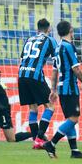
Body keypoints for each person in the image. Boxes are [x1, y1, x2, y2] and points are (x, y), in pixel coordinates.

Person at [43, 20, 82, 159]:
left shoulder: (58, 47)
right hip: (70, 88)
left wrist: (53, 90)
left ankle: (74, 151)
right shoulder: (69, 47)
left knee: (70, 118)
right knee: (74, 118)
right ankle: (51, 143)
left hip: (61, 88)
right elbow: (76, 69)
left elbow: (54, 71)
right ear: (70, 30)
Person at [18, 19, 57, 149]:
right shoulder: (50, 40)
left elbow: (21, 59)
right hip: (35, 75)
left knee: (33, 108)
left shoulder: (29, 39)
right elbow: (57, 60)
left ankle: (36, 140)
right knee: (50, 106)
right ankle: (39, 138)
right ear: (49, 29)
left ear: (37, 29)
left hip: (22, 75)